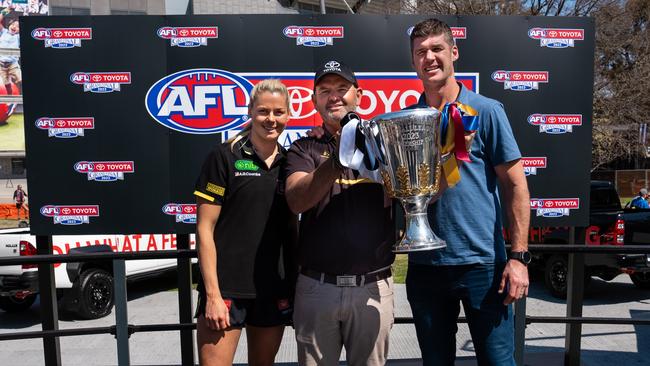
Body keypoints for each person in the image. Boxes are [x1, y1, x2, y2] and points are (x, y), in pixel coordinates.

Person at [404, 18, 531, 365]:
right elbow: (408, 192)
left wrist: (518, 259)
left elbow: (516, 186)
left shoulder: (486, 111)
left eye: (437, 49)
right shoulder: (405, 121)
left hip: (484, 267)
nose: (429, 58)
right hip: (426, 266)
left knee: (498, 362)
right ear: (413, 61)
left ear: (454, 52)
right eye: (420, 52)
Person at [284, 60, 395, 366]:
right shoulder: (302, 148)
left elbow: (411, 190)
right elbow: (296, 200)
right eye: (325, 90)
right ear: (314, 100)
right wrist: (338, 157)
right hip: (317, 289)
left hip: (373, 286)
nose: (334, 96)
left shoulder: (385, 142)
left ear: (358, 95)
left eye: (342, 89)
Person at [193, 79, 296, 366]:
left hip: (272, 291)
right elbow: (204, 229)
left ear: (289, 115)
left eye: (278, 112)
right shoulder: (223, 157)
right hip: (226, 292)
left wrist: (293, 288)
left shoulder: (291, 163)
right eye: (263, 111)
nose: (271, 119)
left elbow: (291, 231)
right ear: (250, 111)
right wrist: (212, 294)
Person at [0, 16, 21, 96]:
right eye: (13, 24)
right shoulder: (3, 32)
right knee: (7, 84)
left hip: (13, 64)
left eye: (17, 26)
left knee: (20, 79)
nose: (14, 27)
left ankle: (23, 96)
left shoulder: (18, 37)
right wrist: (6, 10)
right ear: (9, 24)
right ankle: (10, 99)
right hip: (1, 64)